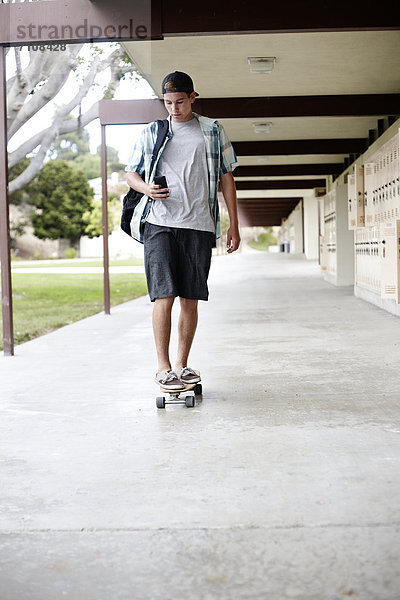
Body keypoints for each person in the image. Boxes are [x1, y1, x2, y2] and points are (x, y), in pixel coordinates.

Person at [125, 71, 240, 391]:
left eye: (179, 101)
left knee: (190, 298)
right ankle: (162, 367)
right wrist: (147, 189)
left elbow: (227, 177)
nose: (173, 108)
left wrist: (234, 222)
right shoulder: (154, 131)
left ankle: (182, 365)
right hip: (159, 223)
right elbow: (130, 173)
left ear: (192, 97)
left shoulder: (213, 131)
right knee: (164, 294)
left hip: (200, 225)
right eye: (167, 102)